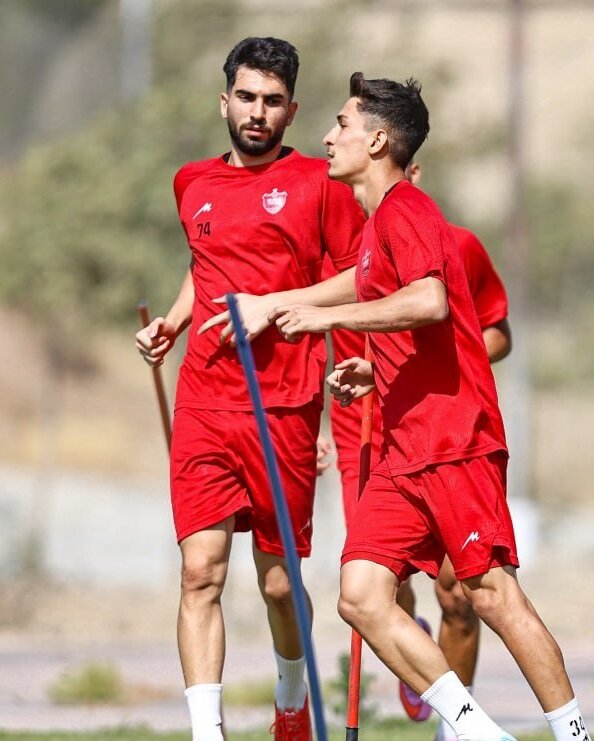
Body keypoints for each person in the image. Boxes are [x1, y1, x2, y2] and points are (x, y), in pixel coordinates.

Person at [203, 74, 590, 741]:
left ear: (378, 140)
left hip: (454, 441)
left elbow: (429, 301)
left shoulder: (408, 210)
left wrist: (324, 320)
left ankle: (574, 734)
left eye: (342, 124)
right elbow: (377, 297)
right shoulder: (378, 224)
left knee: (492, 596)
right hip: (401, 450)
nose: (328, 137)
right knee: (360, 596)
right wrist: (361, 357)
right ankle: (479, 732)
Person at [134, 37, 365, 741]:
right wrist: (174, 321)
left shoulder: (322, 184)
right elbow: (206, 263)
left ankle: (291, 697)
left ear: (291, 110)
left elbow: (359, 277)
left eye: (272, 101)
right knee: (199, 572)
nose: (257, 112)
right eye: (246, 97)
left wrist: (280, 309)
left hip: (286, 403)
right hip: (205, 401)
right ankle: (208, 731)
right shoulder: (191, 182)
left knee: (278, 583)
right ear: (224, 101)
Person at [319, 159, 512, 737]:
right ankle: (414, 639)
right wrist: (313, 429)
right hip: (364, 435)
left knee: (460, 593)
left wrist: (440, 359)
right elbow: (302, 336)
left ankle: (457, 730)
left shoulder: (457, 246)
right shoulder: (337, 258)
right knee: (379, 585)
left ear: (412, 169)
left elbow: (496, 332)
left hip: (443, 431)